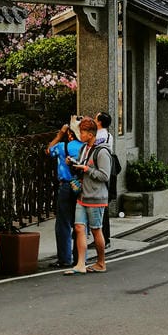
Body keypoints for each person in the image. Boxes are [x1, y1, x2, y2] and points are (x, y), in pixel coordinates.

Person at [66, 117, 111, 274]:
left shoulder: (102, 151)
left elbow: (105, 175)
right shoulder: (83, 149)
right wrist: (72, 164)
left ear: (91, 134)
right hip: (83, 195)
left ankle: (101, 262)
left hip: (96, 197)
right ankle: (80, 263)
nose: (81, 135)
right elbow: (80, 168)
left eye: (83, 132)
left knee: (96, 229)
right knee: (79, 227)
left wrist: (87, 169)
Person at [46, 121, 84, 268]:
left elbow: (48, 150)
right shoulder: (86, 148)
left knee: (63, 223)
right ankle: (80, 257)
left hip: (66, 186)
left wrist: (59, 134)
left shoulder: (63, 147)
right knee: (80, 222)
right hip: (81, 186)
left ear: (70, 134)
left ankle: (65, 258)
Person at [94, 112, 115, 243]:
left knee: (100, 207)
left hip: (98, 172)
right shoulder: (109, 136)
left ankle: (103, 238)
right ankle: (104, 237)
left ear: (99, 122)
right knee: (103, 206)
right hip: (106, 171)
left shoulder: (98, 137)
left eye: (96, 118)